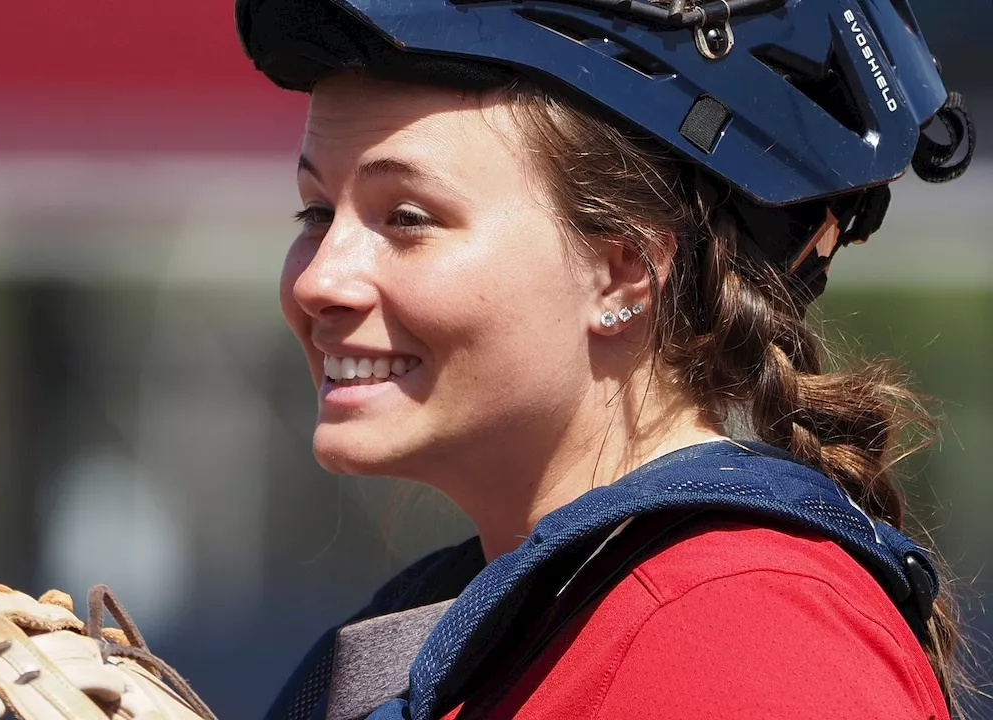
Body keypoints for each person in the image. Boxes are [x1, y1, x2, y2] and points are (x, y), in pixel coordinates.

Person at [235, 0, 976, 719]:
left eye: (406, 218)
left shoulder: (739, 635)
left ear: (623, 270)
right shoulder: (558, 618)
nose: (315, 281)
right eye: (317, 214)